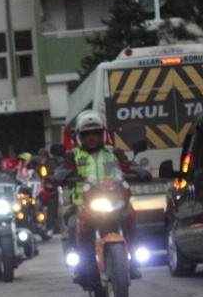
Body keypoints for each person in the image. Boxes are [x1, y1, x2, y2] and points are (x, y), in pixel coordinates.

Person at [53, 110, 141, 284]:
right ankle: (80, 266)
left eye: (95, 133)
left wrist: (139, 171)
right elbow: (60, 170)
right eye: (87, 134)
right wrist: (61, 175)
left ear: (103, 134)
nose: (91, 137)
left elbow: (129, 165)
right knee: (72, 224)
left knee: (130, 213)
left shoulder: (113, 152)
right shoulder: (73, 155)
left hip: (115, 200)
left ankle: (135, 259)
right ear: (79, 136)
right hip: (83, 203)